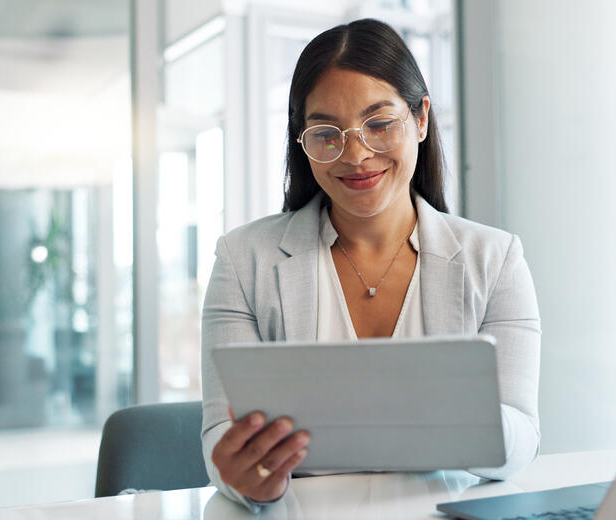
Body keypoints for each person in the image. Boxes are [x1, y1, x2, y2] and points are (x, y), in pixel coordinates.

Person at [200, 18, 541, 512]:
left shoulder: (495, 259)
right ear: (303, 141)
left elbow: (522, 440)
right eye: (326, 133)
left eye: (379, 124)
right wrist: (244, 478)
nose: (356, 155)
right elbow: (219, 436)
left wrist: (464, 415)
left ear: (421, 118)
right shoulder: (243, 261)